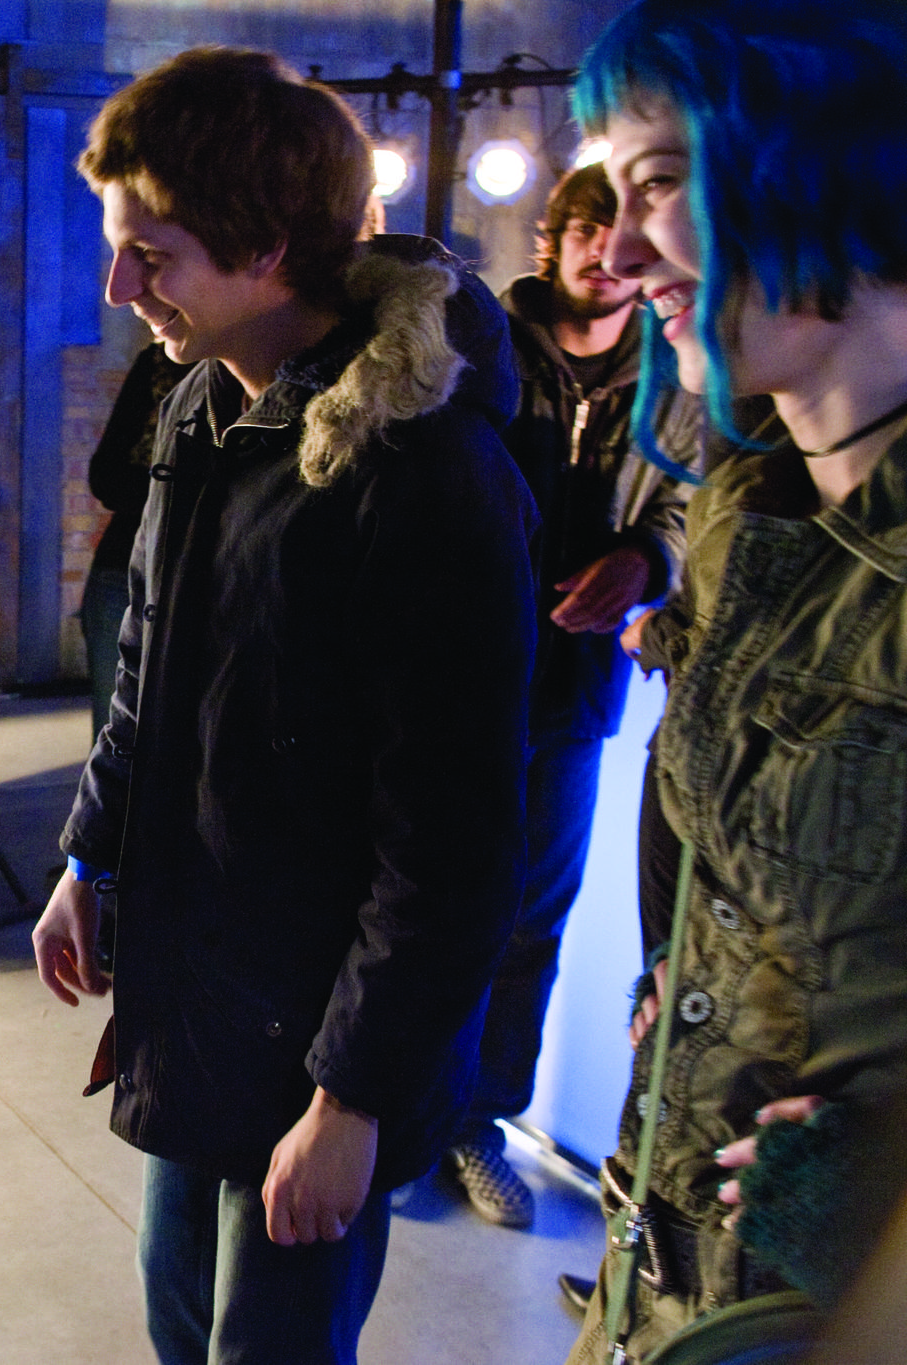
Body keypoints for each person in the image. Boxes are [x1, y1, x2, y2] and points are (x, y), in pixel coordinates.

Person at [30, 47, 536, 1365]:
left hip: (319, 1034)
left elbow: (452, 842)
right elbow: (148, 665)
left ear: (265, 249)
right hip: (202, 994)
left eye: (153, 256)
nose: (118, 290)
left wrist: (353, 1098)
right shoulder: (203, 405)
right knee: (178, 1316)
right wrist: (90, 855)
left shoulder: (423, 468)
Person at [562, 2, 907, 1359]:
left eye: (659, 182)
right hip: (670, 1275)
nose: (618, 251)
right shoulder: (738, 511)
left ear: (825, 164)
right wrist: (692, 975)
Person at [443, 162, 706, 1229]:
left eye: (623, 227)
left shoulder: (673, 374)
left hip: (572, 692)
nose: (606, 251)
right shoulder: (480, 345)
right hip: (450, 681)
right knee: (417, 896)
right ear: (551, 238)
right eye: (587, 227)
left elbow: (692, 501)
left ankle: (477, 1120)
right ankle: (390, 1105)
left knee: (531, 919)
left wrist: (645, 560)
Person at [79, 341, 189, 739]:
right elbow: (105, 476)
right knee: (116, 734)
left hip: (207, 576)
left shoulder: (274, 371)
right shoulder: (160, 363)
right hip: (126, 564)